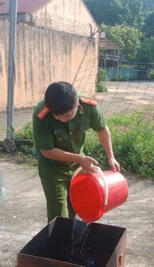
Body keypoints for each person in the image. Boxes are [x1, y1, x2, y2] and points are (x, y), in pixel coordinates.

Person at [32, 81, 120, 222]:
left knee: (78, 204)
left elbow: (102, 129)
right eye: (57, 116)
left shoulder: (88, 106)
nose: (61, 119)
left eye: (67, 115)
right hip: (52, 168)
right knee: (57, 209)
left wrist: (111, 157)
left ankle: (73, 236)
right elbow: (47, 151)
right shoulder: (41, 114)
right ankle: (58, 240)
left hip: (78, 166)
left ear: (77, 104)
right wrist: (80, 159)